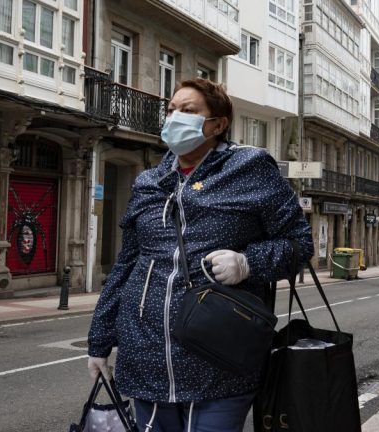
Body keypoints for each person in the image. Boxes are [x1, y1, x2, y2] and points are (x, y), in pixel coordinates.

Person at [86, 78, 314, 432]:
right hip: (146, 359)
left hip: (220, 361)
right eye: (172, 109)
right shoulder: (149, 181)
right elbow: (127, 263)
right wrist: (99, 340)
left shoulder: (250, 168)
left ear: (218, 124)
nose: (175, 117)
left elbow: (299, 243)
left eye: (188, 111)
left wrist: (247, 263)